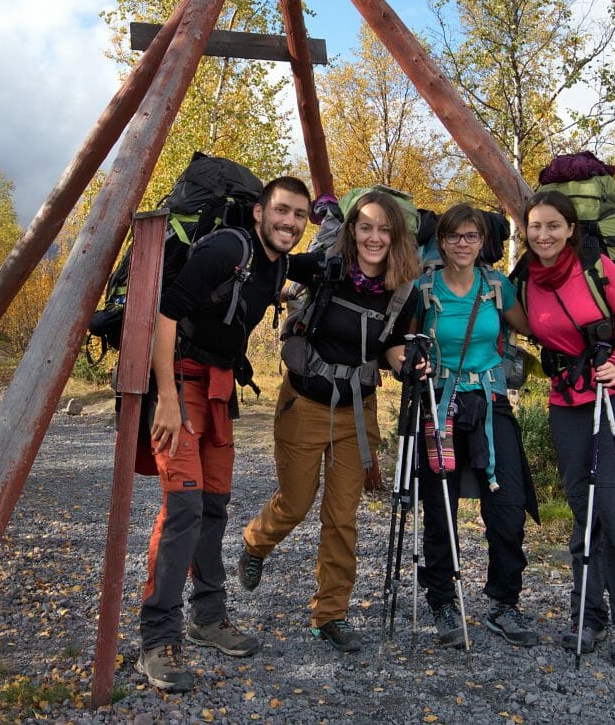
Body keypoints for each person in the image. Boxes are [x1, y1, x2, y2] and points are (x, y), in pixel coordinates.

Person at [136, 176, 311, 692]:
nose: (291, 223)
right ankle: (156, 639)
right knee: (183, 509)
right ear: (259, 212)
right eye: (282, 211)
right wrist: (166, 399)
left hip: (217, 389)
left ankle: (208, 619)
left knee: (214, 506)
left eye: (300, 215)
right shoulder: (225, 249)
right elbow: (166, 313)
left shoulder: (273, 261)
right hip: (180, 384)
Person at [238, 191, 420, 653]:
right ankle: (256, 543)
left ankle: (330, 614)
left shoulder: (404, 288)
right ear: (352, 230)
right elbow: (274, 258)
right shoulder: (324, 268)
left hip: (357, 412)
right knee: (296, 504)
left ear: (395, 236)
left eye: (384, 229)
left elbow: (393, 347)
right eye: (366, 227)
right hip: (304, 404)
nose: (374, 237)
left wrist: (410, 364)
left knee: (342, 518)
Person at [519, 189, 615, 667]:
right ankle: (589, 617)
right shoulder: (524, 282)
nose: (544, 235)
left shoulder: (597, 268)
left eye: (553, 225)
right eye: (536, 226)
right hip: (567, 402)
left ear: (571, 229)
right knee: (584, 508)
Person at [414, 203, 540, 649]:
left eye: (471, 237)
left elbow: (533, 326)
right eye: (454, 237)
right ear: (441, 242)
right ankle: (443, 602)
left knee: (507, 507)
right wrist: (410, 362)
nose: (463, 245)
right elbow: (400, 344)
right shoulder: (423, 288)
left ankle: (504, 603)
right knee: (440, 506)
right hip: (441, 403)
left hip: (489, 402)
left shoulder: (496, 286)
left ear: (483, 242)